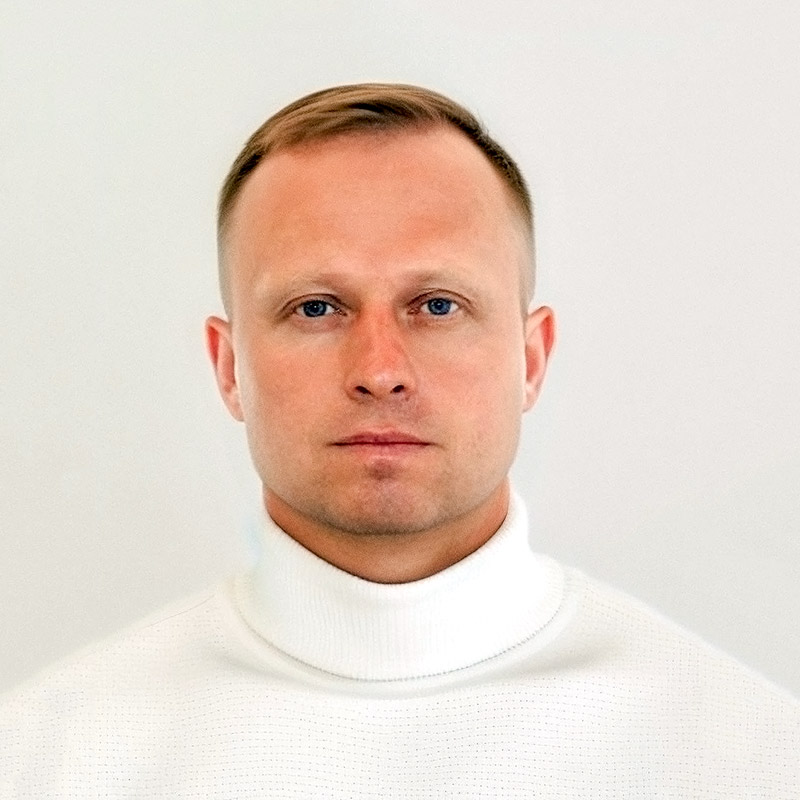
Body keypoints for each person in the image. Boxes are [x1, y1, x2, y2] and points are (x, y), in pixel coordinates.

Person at [1, 83, 798, 798]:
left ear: (530, 359)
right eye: (317, 308)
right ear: (229, 366)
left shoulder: (747, 758)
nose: (380, 371)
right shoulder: (47, 761)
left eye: (438, 305)